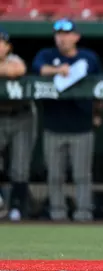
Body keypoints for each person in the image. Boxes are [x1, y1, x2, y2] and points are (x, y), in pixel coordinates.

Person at [32, 18, 103, 222]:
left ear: (76, 36)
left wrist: (97, 114)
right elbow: (38, 68)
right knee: (54, 176)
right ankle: (57, 213)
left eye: (66, 34)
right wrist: (58, 70)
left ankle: (83, 213)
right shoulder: (47, 55)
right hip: (53, 125)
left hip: (81, 126)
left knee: (82, 176)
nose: (62, 38)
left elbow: (102, 88)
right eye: (58, 34)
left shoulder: (88, 58)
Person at [0, 27, 36, 221]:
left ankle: (16, 208)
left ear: (7, 46)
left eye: (0, 42)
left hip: (20, 115)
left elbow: (17, 70)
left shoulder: (14, 59)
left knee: (20, 166)